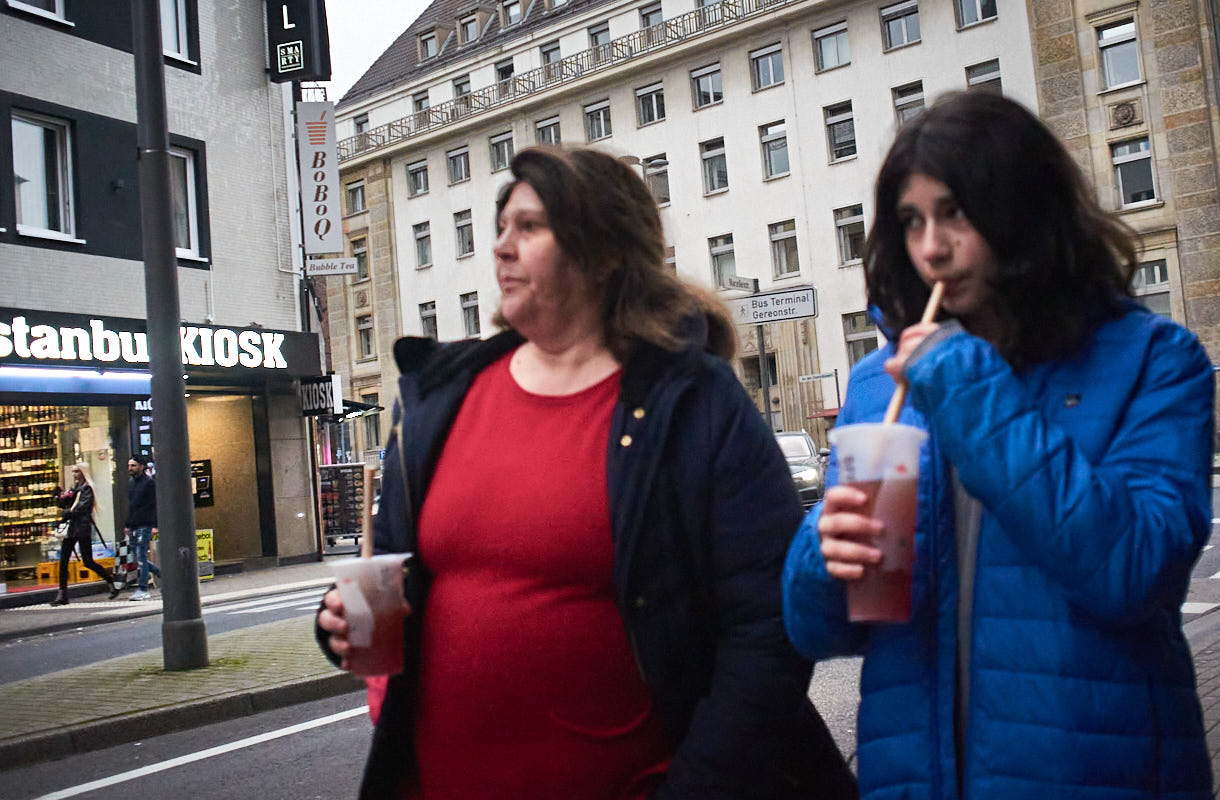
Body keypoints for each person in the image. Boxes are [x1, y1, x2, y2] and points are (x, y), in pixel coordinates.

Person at [316, 146, 858, 800]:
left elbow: (767, 630)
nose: (501, 249)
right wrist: (339, 625)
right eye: (501, 228)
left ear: (603, 252)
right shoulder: (442, 397)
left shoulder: (690, 402)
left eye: (530, 227)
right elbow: (395, 584)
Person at [782, 91, 1215, 798]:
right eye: (911, 221)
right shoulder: (879, 381)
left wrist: (966, 387)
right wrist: (820, 563)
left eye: (955, 212)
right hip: (916, 775)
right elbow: (825, 631)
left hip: (1094, 773)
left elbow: (1135, 572)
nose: (931, 247)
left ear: (1025, 208)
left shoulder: (1153, 360)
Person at [51, 463, 121, 605]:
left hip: (82, 528)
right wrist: (60, 498)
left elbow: (82, 508)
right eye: (73, 471)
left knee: (88, 561)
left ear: (83, 472)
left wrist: (67, 512)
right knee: (63, 561)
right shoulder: (76, 488)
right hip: (73, 529)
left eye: (77, 471)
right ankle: (62, 594)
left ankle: (111, 581)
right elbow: (68, 507)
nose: (74, 474)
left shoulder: (87, 488)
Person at [123, 454, 160, 601]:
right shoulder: (131, 483)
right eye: (129, 466)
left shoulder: (149, 483)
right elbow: (132, 506)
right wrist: (127, 524)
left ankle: (143, 588)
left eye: (133, 466)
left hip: (145, 523)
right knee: (138, 555)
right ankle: (162, 574)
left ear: (141, 467)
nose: (130, 468)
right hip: (135, 524)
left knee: (141, 555)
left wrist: (154, 525)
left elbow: (154, 505)